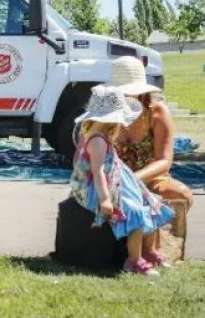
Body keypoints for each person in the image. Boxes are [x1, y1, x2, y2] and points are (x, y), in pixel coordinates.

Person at [70, 85, 175, 275]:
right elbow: (98, 171)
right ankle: (134, 260)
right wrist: (105, 199)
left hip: (114, 180)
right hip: (97, 189)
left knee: (150, 203)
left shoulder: (99, 135)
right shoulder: (97, 141)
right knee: (134, 211)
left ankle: (149, 251)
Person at [110, 56, 194, 210]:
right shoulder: (106, 113)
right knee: (76, 201)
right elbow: (86, 151)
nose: (127, 95)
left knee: (181, 194)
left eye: (130, 91)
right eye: (122, 91)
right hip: (112, 181)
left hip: (150, 180)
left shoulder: (157, 112)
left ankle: (162, 233)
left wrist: (133, 180)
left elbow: (164, 161)